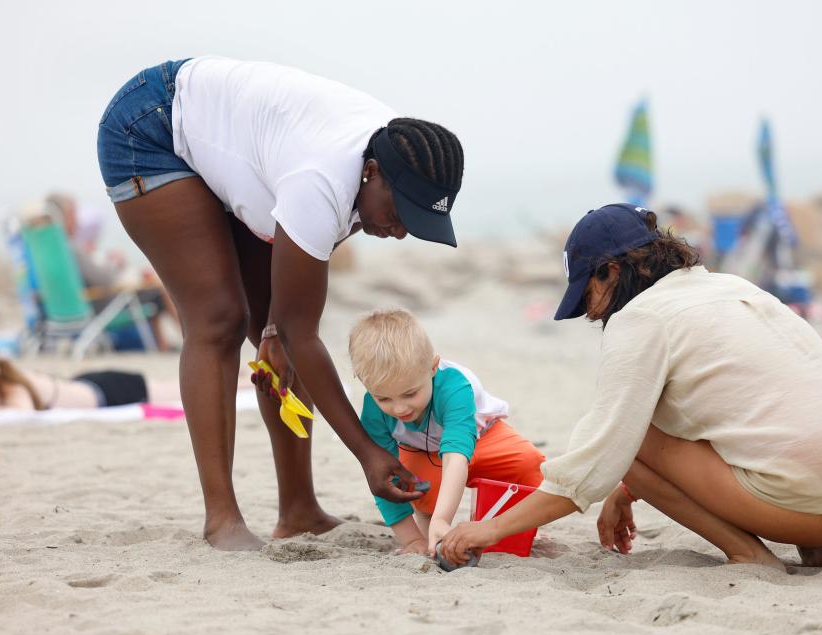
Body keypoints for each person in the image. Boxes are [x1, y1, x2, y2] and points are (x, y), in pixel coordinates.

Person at [96, 57, 465, 550]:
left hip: (245, 153)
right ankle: (221, 519)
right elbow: (303, 326)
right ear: (372, 173)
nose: (398, 232)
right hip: (151, 127)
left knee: (280, 341)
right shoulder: (325, 178)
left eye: (414, 225)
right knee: (220, 320)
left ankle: (298, 510)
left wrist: (275, 331)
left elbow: (298, 290)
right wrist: (369, 453)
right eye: (398, 215)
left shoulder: (397, 156)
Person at [440, 203, 822, 570]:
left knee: (632, 439)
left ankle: (749, 553)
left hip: (811, 505)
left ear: (612, 272)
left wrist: (489, 530)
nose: (588, 311)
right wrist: (625, 492)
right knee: (734, 416)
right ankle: (818, 551)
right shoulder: (726, 285)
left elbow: (592, 466)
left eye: (586, 292)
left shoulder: (639, 320)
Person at [348, 309, 545, 555]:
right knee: (412, 483)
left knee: (530, 463)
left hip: (483, 437)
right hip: (422, 450)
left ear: (433, 367)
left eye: (410, 393)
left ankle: (518, 527)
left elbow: (455, 456)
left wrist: (444, 518)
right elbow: (383, 477)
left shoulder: (455, 387)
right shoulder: (373, 411)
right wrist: (410, 540)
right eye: (383, 398)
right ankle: (426, 532)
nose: (399, 408)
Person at [45, 192, 179, 351]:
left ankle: (161, 344)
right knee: (158, 291)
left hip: (82, 304)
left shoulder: (52, 250)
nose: (77, 221)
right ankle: (184, 336)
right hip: (102, 304)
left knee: (151, 294)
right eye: (73, 214)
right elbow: (104, 278)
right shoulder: (70, 247)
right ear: (62, 217)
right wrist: (115, 264)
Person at [0, 334, 181, 409]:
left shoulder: (11, 386)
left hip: (108, 391)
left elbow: (20, 414)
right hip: (87, 386)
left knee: (179, 391)